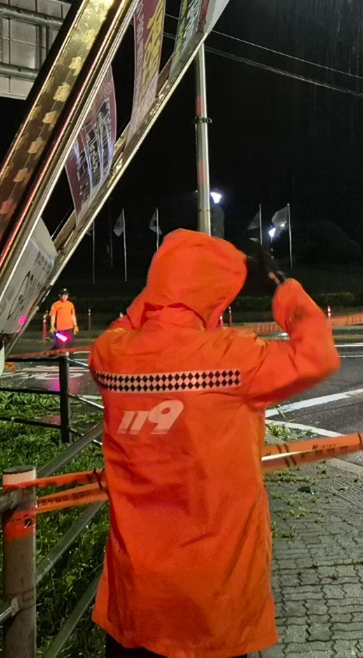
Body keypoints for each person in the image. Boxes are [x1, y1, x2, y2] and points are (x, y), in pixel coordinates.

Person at [90, 229, 340, 658]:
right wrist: (282, 286)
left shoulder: (111, 357)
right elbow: (318, 355)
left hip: (137, 595)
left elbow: (127, 322)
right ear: (215, 295)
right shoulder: (233, 360)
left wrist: (155, 296)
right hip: (213, 599)